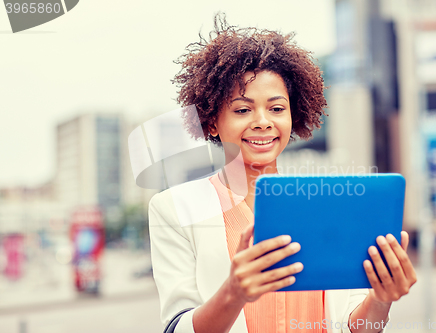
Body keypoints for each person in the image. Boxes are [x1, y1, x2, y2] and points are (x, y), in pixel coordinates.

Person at [148, 13, 417, 333]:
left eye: (276, 108)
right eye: (242, 109)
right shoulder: (173, 209)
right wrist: (233, 293)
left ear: (294, 115)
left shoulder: (329, 203)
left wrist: (381, 299)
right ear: (211, 122)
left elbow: (356, 327)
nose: (263, 121)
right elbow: (178, 327)